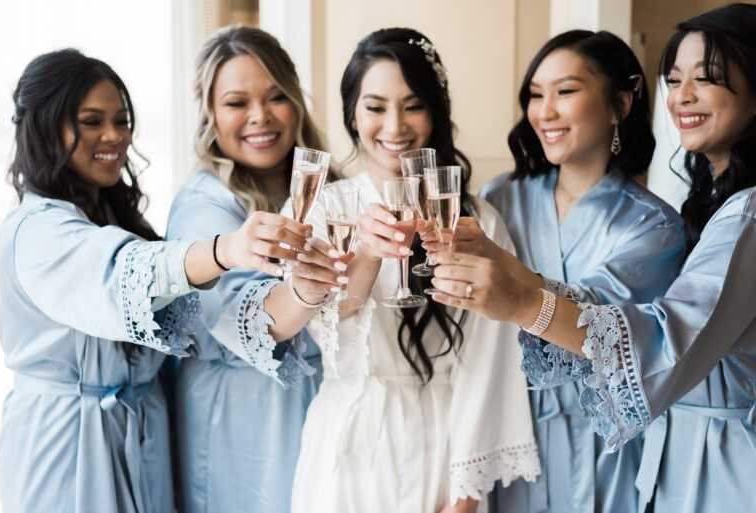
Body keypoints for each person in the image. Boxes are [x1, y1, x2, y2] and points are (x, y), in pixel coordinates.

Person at [429, 4, 756, 512]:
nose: (684, 95)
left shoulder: (716, 218)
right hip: (515, 429)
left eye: (707, 78)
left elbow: (663, 335)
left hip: (696, 456)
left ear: (620, 104)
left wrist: (520, 301)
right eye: (674, 79)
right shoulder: (714, 206)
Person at [0, 49, 297, 513]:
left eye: (121, 120)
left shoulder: (110, 217)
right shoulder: (36, 229)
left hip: (144, 436)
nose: (114, 136)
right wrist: (225, 250)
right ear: (45, 128)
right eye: (92, 121)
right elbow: (121, 273)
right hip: (69, 443)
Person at [286, 28, 540, 513]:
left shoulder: (474, 220)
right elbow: (316, 327)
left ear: (436, 112)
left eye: (413, 105)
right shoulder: (323, 208)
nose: (395, 126)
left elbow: (494, 356)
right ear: (352, 114)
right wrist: (366, 249)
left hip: (441, 443)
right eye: (376, 107)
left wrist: (467, 493)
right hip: (346, 446)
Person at [467, 30, 686, 513]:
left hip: (608, 451)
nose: (544, 112)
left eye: (565, 92)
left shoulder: (655, 227)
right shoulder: (500, 199)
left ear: (621, 104)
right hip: (512, 436)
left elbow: (602, 324)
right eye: (535, 95)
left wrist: (514, 292)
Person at [166, 26, 341, 513]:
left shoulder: (330, 189)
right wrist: (306, 293)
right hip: (242, 421)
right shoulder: (202, 206)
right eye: (237, 102)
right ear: (210, 113)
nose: (261, 117)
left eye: (276, 97)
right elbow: (250, 318)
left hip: (322, 410)